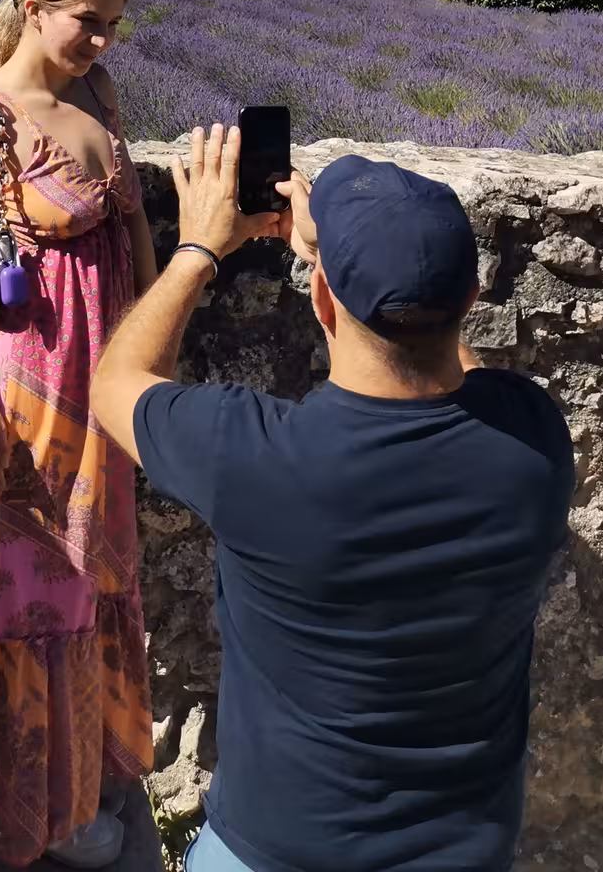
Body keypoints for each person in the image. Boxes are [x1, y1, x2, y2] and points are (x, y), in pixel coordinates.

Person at [90, 125, 576, 872]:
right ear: (472, 300)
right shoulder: (535, 442)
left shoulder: (252, 459)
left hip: (276, 849)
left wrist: (198, 251)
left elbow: (114, 384)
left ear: (319, 299)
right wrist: (357, 269)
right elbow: (461, 374)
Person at [0, 0, 157, 869]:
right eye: (86, 23)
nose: (102, 43)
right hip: (32, 380)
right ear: (34, 6)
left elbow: (133, 230)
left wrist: (150, 354)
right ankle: (28, 812)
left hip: (108, 378)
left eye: (111, 27)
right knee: (30, 584)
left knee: (102, 572)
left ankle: (90, 792)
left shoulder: (96, 98)